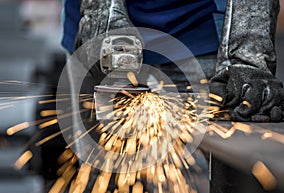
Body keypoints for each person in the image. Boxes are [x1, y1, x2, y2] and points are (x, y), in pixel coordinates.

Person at [61, 0, 284, 122]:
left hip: (201, 30)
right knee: (104, 175)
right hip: (91, 25)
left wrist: (247, 57)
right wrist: (104, 25)